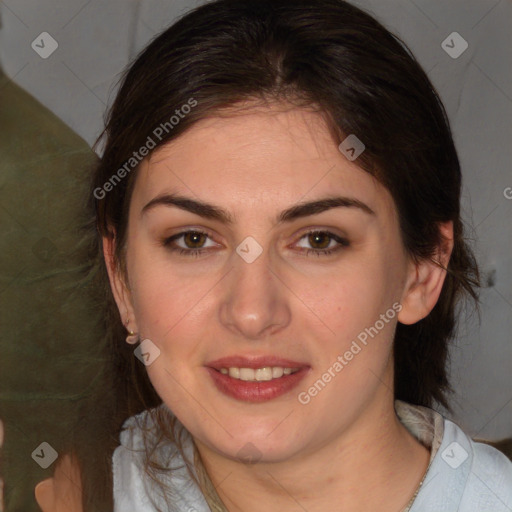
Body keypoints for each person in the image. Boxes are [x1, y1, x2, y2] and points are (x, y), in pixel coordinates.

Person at [89, 0, 512, 511]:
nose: (250, 312)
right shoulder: (58, 490)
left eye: (318, 240)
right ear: (121, 277)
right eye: (193, 240)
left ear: (423, 271)